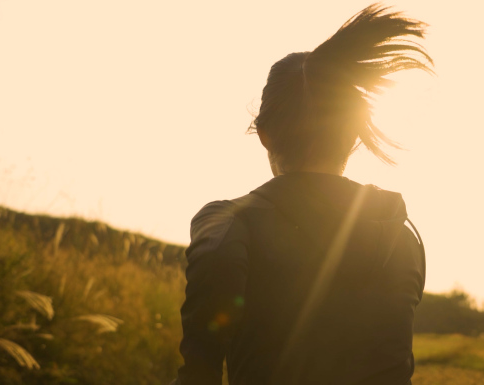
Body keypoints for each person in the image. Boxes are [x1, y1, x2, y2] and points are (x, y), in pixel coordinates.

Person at [173, 3, 432, 384]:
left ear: (264, 135)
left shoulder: (231, 225)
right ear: (353, 137)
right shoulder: (400, 233)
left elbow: (199, 374)